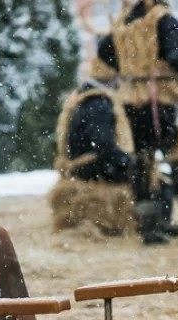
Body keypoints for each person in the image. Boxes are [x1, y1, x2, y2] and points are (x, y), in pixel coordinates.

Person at [97, 0, 178, 244]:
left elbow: (104, 49)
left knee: (142, 162)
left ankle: (150, 228)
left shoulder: (125, 23)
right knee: (176, 162)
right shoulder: (164, 20)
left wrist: (132, 70)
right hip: (159, 100)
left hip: (132, 100)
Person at [49, 58, 139, 238]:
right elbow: (103, 146)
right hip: (92, 168)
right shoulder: (99, 103)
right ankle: (152, 226)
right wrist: (128, 161)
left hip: (80, 166)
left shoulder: (81, 98)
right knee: (147, 176)